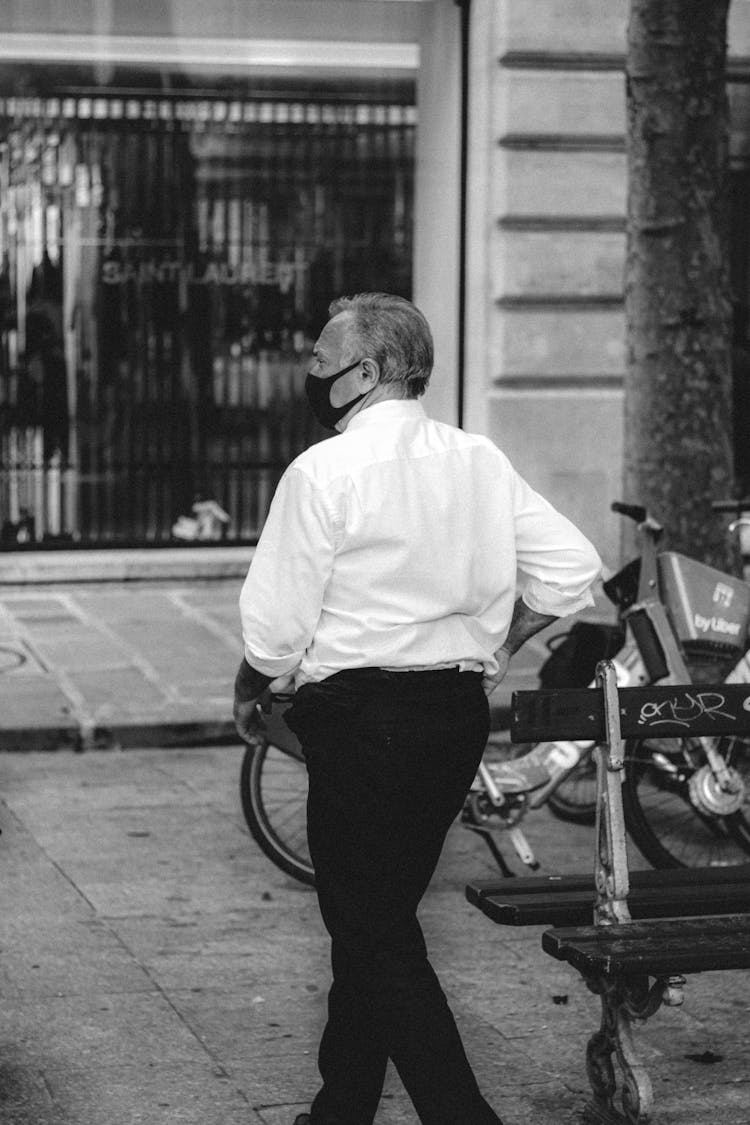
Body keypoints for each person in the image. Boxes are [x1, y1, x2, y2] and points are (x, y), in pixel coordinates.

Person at [234, 292, 602, 1125]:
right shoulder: (477, 458)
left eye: (322, 361)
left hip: (361, 721)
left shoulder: (323, 472)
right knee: (379, 917)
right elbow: (573, 568)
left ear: (366, 372)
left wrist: (254, 683)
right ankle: (342, 1109)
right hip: (453, 719)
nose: (311, 372)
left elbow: (274, 630)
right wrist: (503, 644)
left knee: (372, 931)